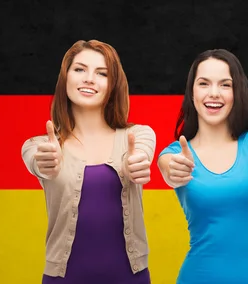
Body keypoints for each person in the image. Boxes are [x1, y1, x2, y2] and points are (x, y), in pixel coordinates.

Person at [21, 39, 156, 284]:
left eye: (102, 73)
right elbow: (36, 160)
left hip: (130, 277)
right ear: (65, 78)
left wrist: (135, 164)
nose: (89, 78)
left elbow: (141, 156)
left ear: (113, 84)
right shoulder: (38, 145)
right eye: (80, 69)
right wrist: (45, 162)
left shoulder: (139, 135)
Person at [157, 49, 248, 284]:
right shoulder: (175, 154)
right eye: (203, 84)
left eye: (225, 85)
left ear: (236, 92)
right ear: (192, 92)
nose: (213, 94)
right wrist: (175, 171)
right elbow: (170, 170)